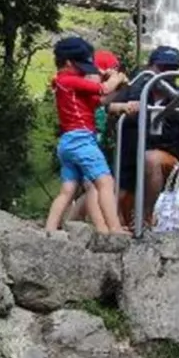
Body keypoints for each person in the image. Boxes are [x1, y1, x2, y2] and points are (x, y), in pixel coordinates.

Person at [44, 36, 128, 235]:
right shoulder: (71, 80)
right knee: (105, 183)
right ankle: (114, 229)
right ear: (68, 63)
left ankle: (49, 228)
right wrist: (117, 77)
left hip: (67, 142)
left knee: (68, 189)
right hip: (82, 140)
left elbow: (99, 101)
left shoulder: (64, 85)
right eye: (81, 66)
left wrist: (119, 85)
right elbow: (103, 89)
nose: (84, 72)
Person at [106, 45, 179, 231]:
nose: (167, 74)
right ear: (150, 67)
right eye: (162, 68)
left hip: (166, 159)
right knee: (105, 186)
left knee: (151, 159)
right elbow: (106, 109)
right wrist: (122, 107)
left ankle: (145, 217)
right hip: (129, 161)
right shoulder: (134, 91)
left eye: (173, 69)